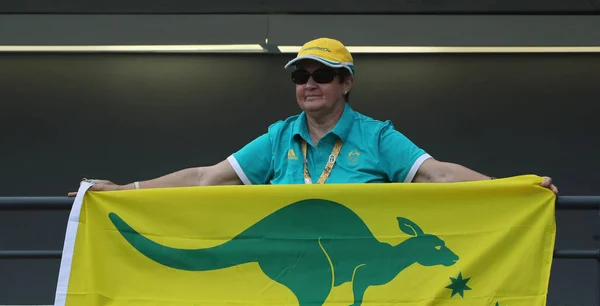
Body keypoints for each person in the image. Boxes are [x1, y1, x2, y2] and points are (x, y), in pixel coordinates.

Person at [69, 37, 557, 196]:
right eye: (300, 75)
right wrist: (127, 192)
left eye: (323, 74)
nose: (309, 84)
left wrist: (512, 188)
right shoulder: (279, 137)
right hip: (285, 278)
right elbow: (205, 177)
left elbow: (437, 174)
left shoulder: (377, 136)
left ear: (346, 83)